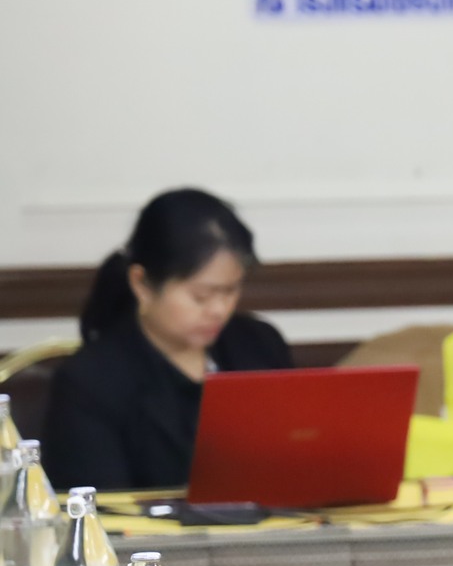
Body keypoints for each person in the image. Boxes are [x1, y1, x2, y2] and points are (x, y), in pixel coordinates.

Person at [43, 189, 290, 491]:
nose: (219, 310)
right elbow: (96, 504)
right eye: (200, 296)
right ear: (142, 284)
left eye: (231, 290)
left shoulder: (260, 345)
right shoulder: (89, 382)